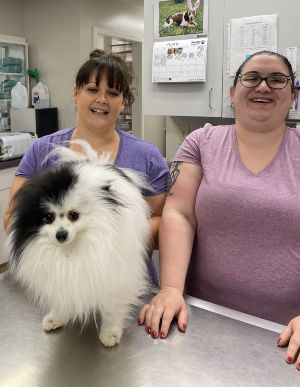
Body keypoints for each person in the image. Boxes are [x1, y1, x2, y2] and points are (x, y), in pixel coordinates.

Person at [139, 50, 300, 369]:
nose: (263, 87)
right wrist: (171, 288)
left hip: (286, 335)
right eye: (251, 77)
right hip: (198, 320)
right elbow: (178, 213)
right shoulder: (200, 142)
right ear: (232, 92)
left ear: (293, 96)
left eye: (277, 79)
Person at [4, 49, 168, 282]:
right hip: (55, 283)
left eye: (113, 93)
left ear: (123, 103)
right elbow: (13, 215)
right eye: (92, 89)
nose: (102, 100)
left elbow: (165, 226)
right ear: (75, 94)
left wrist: (110, 237)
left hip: (125, 286)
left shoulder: (147, 156)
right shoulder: (42, 150)